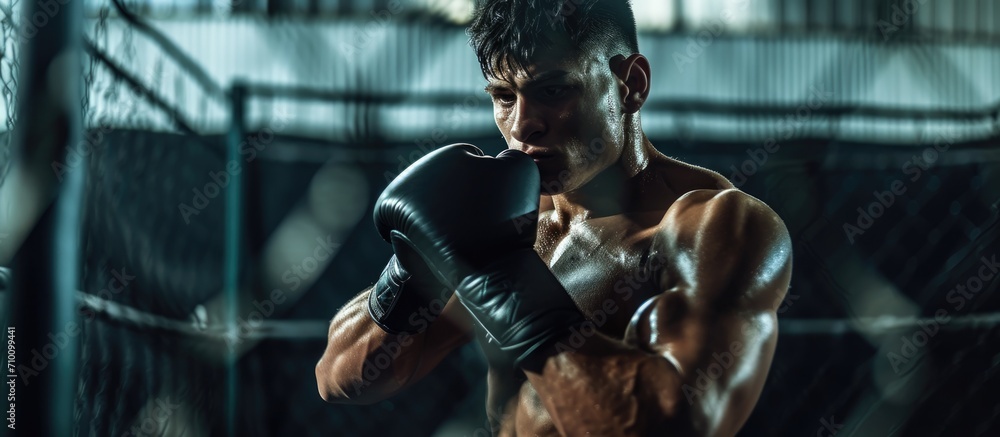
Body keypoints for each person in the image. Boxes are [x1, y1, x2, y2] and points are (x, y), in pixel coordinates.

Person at [315, 0, 792, 435]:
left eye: (554, 89)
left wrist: (515, 293)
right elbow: (343, 380)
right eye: (504, 96)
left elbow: (680, 422)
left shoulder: (713, 228)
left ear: (632, 84)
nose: (523, 124)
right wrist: (408, 272)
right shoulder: (507, 222)